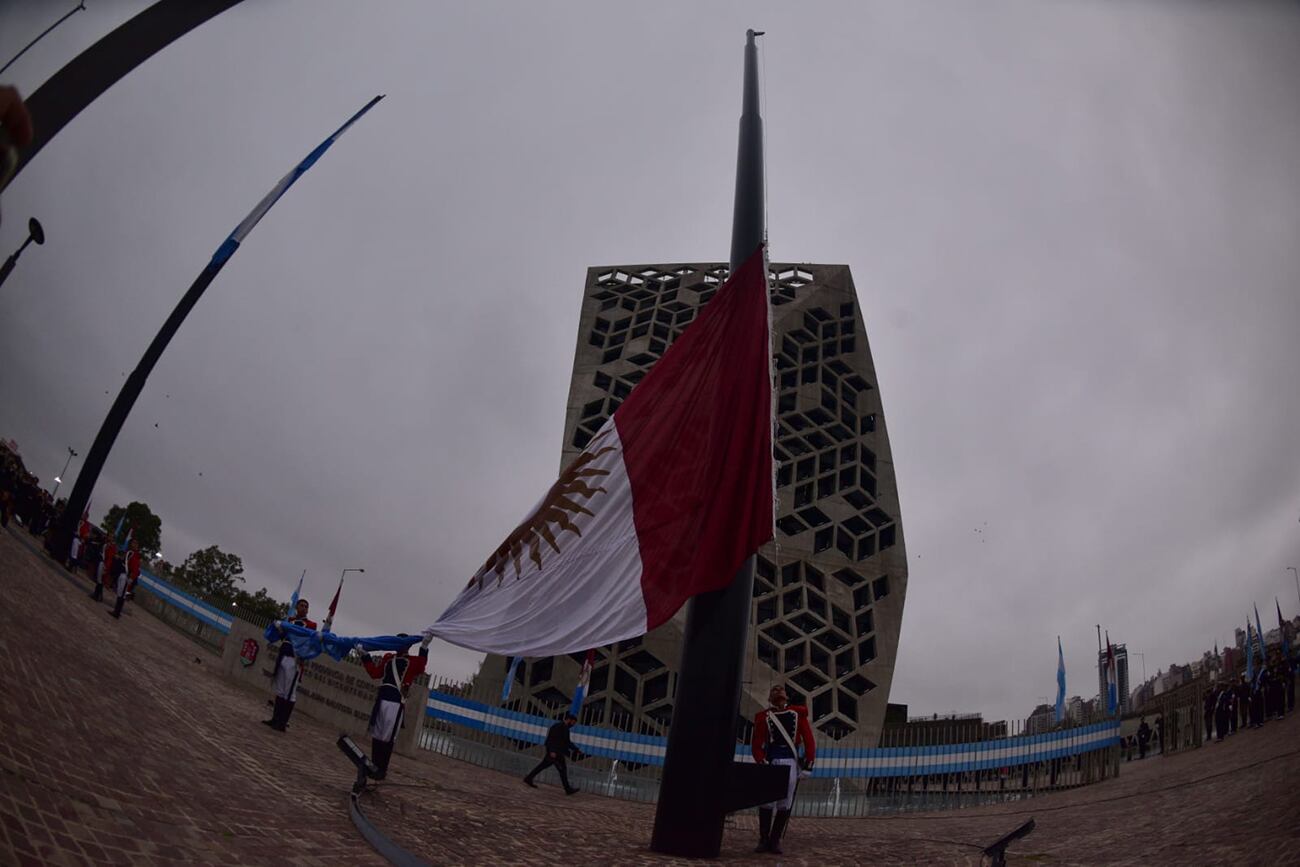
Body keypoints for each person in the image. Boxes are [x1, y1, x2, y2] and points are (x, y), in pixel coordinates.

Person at [751, 684, 816, 855]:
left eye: (781, 693)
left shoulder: (797, 714)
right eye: (775, 693)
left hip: (790, 762)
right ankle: (763, 839)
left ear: (786, 698)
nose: (779, 696)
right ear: (770, 698)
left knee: (784, 802)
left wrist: (809, 764)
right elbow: (757, 744)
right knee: (766, 800)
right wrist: (761, 761)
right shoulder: (764, 717)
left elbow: (809, 739)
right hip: (771, 762)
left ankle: (775, 840)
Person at [359, 635, 430, 780]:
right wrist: (365, 656)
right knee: (377, 735)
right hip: (382, 699)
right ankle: (374, 766)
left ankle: (382, 769)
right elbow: (374, 673)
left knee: (387, 737)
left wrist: (424, 646)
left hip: (395, 702)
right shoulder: (388, 658)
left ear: (408, 646)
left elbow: (422, 665)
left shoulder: (412, 661)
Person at [262, 599, 316, 731]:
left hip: (295, 659)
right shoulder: (289, 620)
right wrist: (280, 628)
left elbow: (306, 638)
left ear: (307, 610)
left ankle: (283, 722)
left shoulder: (311, 624)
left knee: (289, 692)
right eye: (301, 605)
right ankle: (275, 719)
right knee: (280, 690)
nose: (303, 608)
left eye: (305, 606)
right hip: (283, 655)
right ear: (296, 607)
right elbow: (283, 636)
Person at [522, 713, 579, 795]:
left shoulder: (565, 728)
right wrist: (552, 751)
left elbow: (567, 742)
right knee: (561, 770)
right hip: (554, 753)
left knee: (545, 766)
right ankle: (568, 789)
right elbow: (551, 739)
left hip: (558, 753)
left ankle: (529, 778)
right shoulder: (558, 726)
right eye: (573, 723)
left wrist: (576, 750)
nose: (573, 725)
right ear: (569, 720)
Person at [110, 539, 141, 619]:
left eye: (135, 544)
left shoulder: (135, 554)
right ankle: (116, 611)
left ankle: (117, 612)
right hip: (123, 574)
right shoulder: (129, 552)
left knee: (122, 594)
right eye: (133, 543)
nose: (133, 545)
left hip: (127, 576)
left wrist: (131, 577)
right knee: (120, 593)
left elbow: (135, 568)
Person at [90, 536, 117, 602]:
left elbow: (110, 558)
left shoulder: (112, 547)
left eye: (111, 536)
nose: (109, 537)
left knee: (100, 580)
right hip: (101, 561)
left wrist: (106, 566)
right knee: (99, 580)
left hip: (105, 564)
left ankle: (98, 595)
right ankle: (97, 594)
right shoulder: (106, 544)